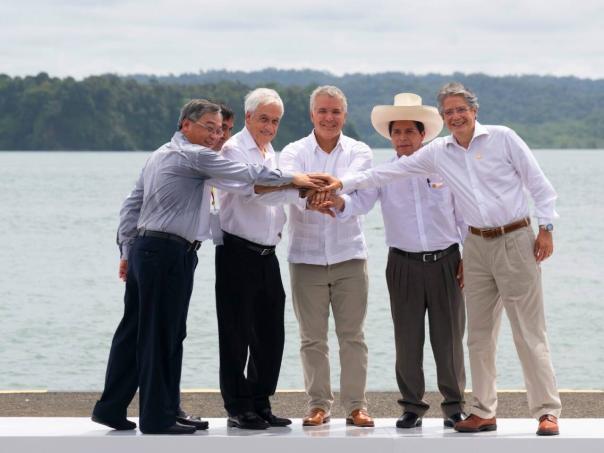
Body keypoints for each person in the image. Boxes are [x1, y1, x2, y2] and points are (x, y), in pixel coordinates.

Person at [318, 82, 562, 436]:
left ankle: (546, 411)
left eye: (461, 109)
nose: (456, 116)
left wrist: (546, 228)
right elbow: (381, 174)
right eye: (449, 112)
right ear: (443, 118)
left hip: (512, 239)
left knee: (528, 331)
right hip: (474, 247)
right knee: (478, 337)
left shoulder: (503, 138)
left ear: (474, 111)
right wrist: (338, 184)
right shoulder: (438, 153)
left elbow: (539, 186)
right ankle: (483, 411)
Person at [91, 99, 323, 435]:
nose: (217, 136)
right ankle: (158, 418)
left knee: (136, 333)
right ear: (185, 125)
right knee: (162, 336)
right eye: (210, 128)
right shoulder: (195, 155)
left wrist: (127, 250)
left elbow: (131, 206)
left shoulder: (159, 154)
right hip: (167, 253)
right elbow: (249, 174)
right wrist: (300, 179)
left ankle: (114, 408)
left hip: (149, 249)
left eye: (220, 129)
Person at [322, 93, 467, 429]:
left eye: (409, 131)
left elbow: (463, 215)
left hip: (447, 260)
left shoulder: (445, 168)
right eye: (396, 132)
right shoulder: (383, 173)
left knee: (448, 339)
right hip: (402, 263)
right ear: (391, 137)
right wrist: (337, 203)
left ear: (423, 134)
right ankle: (412, 407)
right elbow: (359, 203)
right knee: (407, 338)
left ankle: (454, 406)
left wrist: (469, 257)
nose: (402, 138)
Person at [279, 85, 375, 427]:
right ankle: (318, 405)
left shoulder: (360, 151)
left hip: (350, 255)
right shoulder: (293, 150)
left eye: (335, 111)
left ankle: (356, 406)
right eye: (322, 111)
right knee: (312, 338)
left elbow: (362, 192)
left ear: (344, 116)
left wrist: (337, 198)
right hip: (305, 257)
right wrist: (314, 197)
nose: (329, 117)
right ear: (312, 114)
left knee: (353, 337)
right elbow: (287, 185)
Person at [213, 88, 292, 429]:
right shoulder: (233, 150)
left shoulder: (271, 152)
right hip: (237, 252)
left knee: (270, 333)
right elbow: (253, 189)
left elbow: (280, 193)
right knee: (236, 334)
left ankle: (261, 401)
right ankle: (237, 406)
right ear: (248, 117)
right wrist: (296, 183)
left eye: (275, 121)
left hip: (267, 254)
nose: (269, 127)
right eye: (263, 119)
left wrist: (301, 189)